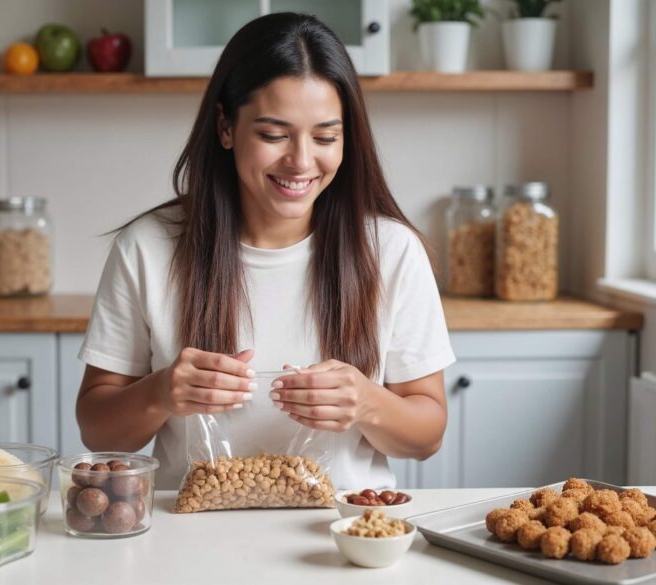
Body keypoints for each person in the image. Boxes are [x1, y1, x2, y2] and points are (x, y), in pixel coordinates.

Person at [76, 12, 455, 490]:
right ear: (226, 127)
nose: (300, 161)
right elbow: (96, 428)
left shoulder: (392, 252)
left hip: (338, 540)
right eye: (273, 135)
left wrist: (366, 401)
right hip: (186, 540)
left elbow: (427, 437)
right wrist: (160, 392)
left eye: (325, 137)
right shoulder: (149, 248)